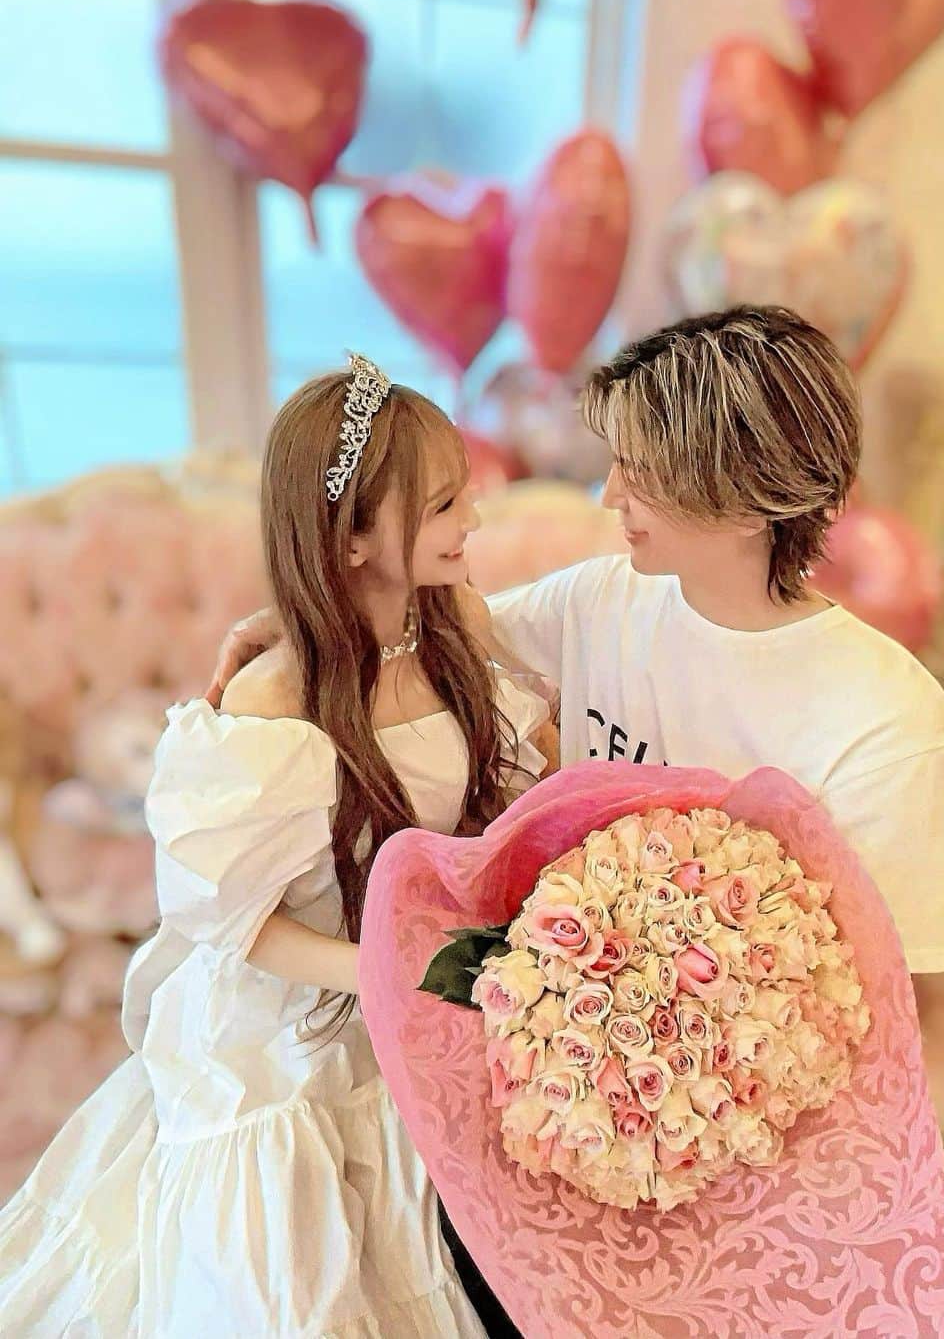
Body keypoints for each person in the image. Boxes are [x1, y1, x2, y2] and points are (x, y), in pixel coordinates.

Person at [0, 356, 550, 1338]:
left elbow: (520, 794)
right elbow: (234, 926)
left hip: (433, 981)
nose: (473, 520)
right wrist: (385, 971)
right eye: (443, 505)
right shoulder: (272, 700)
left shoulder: (459, 633)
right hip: (307, 1008)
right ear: (352, 537)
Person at [211, 307, 944, 978]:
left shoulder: (886, 717)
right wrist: (303, 620)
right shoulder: (600, 600)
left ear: (747, 501)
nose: (609, 495)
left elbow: (875, 997)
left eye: (641, 471)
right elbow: (429, 624)